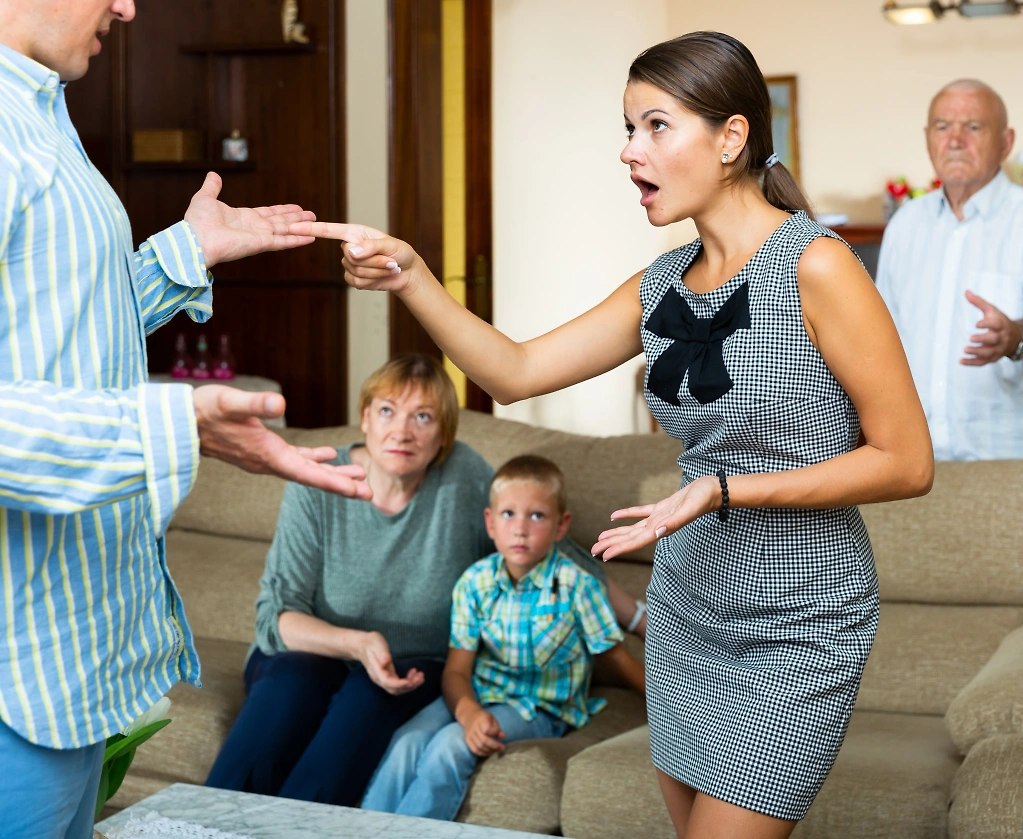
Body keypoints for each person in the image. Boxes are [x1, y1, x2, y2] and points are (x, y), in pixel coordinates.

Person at [292, 30, 932, 839]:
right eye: (629, 129)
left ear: (731, 137)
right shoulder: (659, 283)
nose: (631, 151)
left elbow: (907, 462)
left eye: (656, 126)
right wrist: (412, 274)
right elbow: (517, 368)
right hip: (687, 612)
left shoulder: (818, 266)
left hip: (796, 624)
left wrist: (730, 488)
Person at [0, 2, 370, 837]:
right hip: (13, 682)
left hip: (63, 669)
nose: (128, 7)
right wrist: (177, 425)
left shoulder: (42, 119)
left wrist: (183, 254)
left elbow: (54, 335)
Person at [205, 355, 495, 805]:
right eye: (387, 411)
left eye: (423, 417)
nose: (402, 431)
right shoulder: (318, 480)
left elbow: (533, 547)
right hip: (310, 652)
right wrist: (358, 644)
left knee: (368, 695)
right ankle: (205, 825)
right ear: (364, 419)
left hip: (415, 664)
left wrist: (634, 616)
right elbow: (275, 620)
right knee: (291, 680)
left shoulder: (466, 476)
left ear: (444, 435)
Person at [360, 455, 645, 818]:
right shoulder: (474, 583)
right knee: (407, 740)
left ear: (561, 526)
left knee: (450, 745)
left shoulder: (578, 586)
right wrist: (468, 711)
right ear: (490, 523)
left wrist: (671, 711)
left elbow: (619, 658)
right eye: (509, 515)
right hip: (478, 692)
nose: (521, 529)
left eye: (537, 516)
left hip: (541, 707)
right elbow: (457, 672)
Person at [876, 79, 1023, 461]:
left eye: (973, 127)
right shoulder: (905, 224)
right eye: (942, 127)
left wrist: (1015, 335)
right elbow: (882, 333)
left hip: (1011, 455)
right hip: (917, 458)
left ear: (1005, 142)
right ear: (927, 138)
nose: (955, 140)